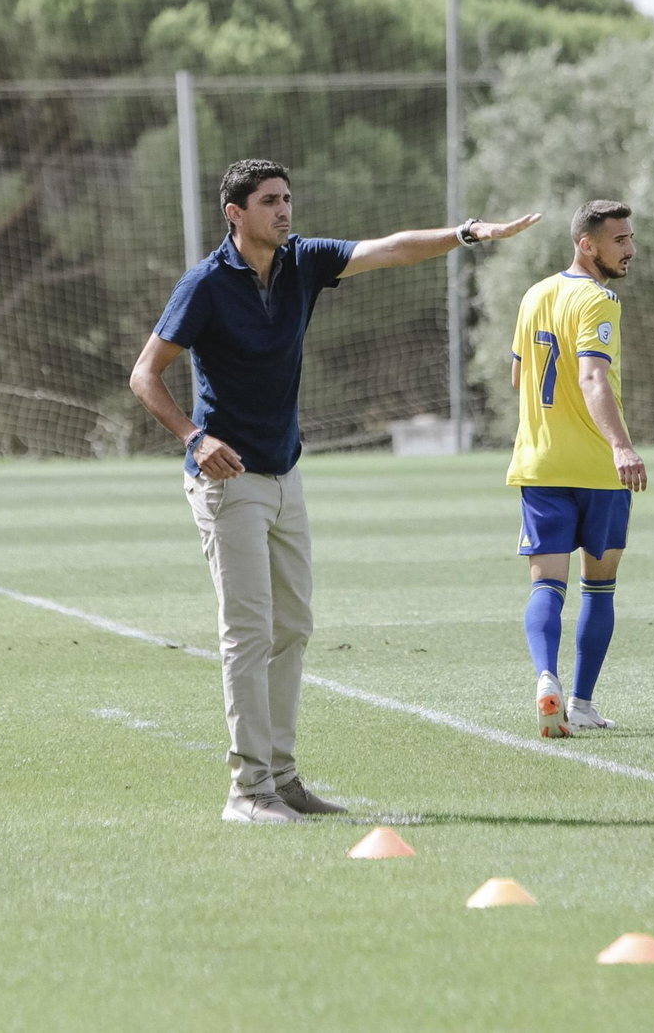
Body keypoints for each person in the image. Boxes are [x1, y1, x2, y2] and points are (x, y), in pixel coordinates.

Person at [130, 158, 539, 822]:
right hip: (227, 483)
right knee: (248, 632)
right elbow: (145, 374)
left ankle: (283, 777)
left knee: (293, 626)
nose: (285, 211)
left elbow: (391, 249)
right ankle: (248, 790)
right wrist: (193, 436)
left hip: (286, 475)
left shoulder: (303, 262)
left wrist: (465, 233)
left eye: (288, 198)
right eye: (270, 201)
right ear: (236, 213)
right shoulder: (204, 284)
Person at [507, 200, 646, 738]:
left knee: (546, 586)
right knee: (600, 587)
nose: (630, 249)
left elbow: (519, 378)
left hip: (540, 464)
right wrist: (621, 447)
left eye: (630, 238)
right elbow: (592, 379)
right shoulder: (599, 300)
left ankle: (547, 676)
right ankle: (583, 703)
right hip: (596, 467)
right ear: (587, 245)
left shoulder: (535, 294)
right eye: (619, 241)